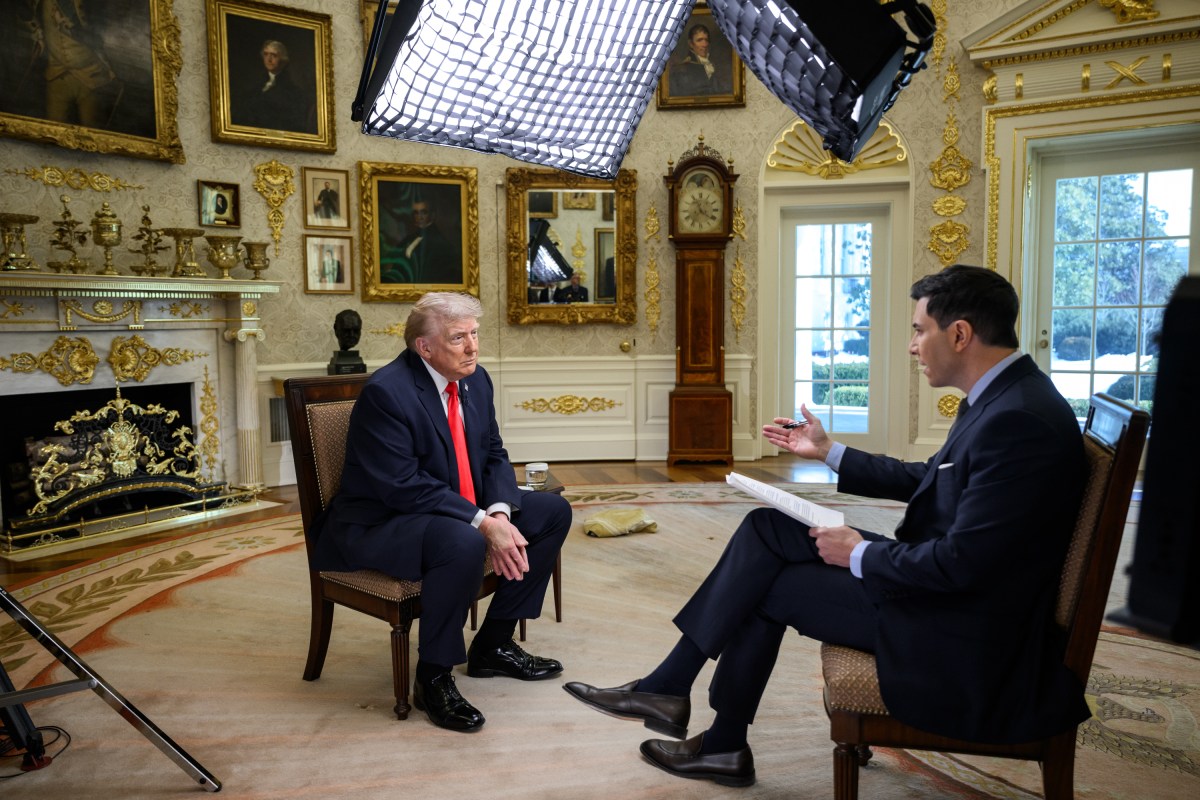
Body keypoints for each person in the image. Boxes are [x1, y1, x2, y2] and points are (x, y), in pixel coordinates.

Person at [564, 265, 1089, 787]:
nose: (912, 346)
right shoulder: (1005, 398)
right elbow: (932, 479)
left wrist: (859, 554)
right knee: (767, 529)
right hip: (944, 594)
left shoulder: (1016, 419)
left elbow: (964, 565)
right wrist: (828, 451)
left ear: (960, 334)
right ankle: (673, 692)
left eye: (917, 329)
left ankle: (711, 732)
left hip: (958, 628)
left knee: (765, 584)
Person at [314, 293, 571, 732]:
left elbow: (493, 453)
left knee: (550, 511)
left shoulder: (476, 379)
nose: (473, 347)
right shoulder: (386, 393)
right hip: (380, 522)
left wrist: (501, 514)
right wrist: (482, 523)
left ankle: (493, 645)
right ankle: (432, 675)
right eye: (458, 338)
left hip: (445, 511)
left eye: (474, 334)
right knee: (464, 540)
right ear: (425, 348)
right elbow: (402, 486)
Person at [231, 39, 315, 134]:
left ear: (283, 60)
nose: (268, 59)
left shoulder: (293, 92)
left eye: (274, 55)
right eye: (266, 54)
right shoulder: (257, 86)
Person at [379, 199, 461, 285]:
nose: (419, 217)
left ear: (432, 215)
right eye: (416, 213)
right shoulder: (410, 238)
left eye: (424, 212)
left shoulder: (440, 243)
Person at [669, 23, 729, 97]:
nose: (705, 44)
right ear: (691, 44)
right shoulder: (681, 70)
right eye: (699, 40)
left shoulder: (712, 65)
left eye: (706, 40)